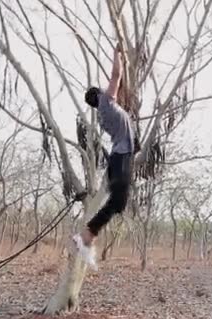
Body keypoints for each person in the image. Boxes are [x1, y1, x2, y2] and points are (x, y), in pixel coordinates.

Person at [72, 43, 135, 270]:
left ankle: (89, 236)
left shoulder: (103, 114)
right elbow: (116, 75)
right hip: (120, 157)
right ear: (99, 95)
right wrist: (117, 53)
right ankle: (87, 235)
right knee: (119, 203)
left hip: (118, 158)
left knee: (118, 203)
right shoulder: (107, 103)